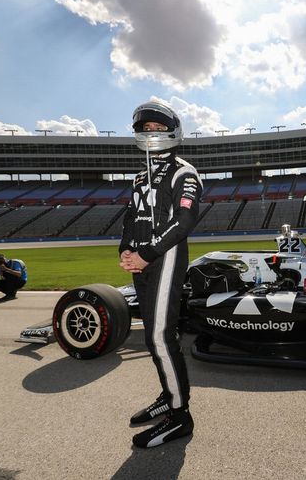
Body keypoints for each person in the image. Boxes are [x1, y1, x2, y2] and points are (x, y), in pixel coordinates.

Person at [119, 100, 202, 449]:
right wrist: (125, 251)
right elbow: (129, 216)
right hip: (141, 262)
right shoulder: (140, 175)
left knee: (160, 336)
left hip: (165, 259)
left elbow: (184, 221)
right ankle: (169, 397)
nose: (151, 133)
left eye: (157, 128)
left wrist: (147, 254)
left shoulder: (185, 171)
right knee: (154, 338)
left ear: (173, 131)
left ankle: (180, 416)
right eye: (145, 128)